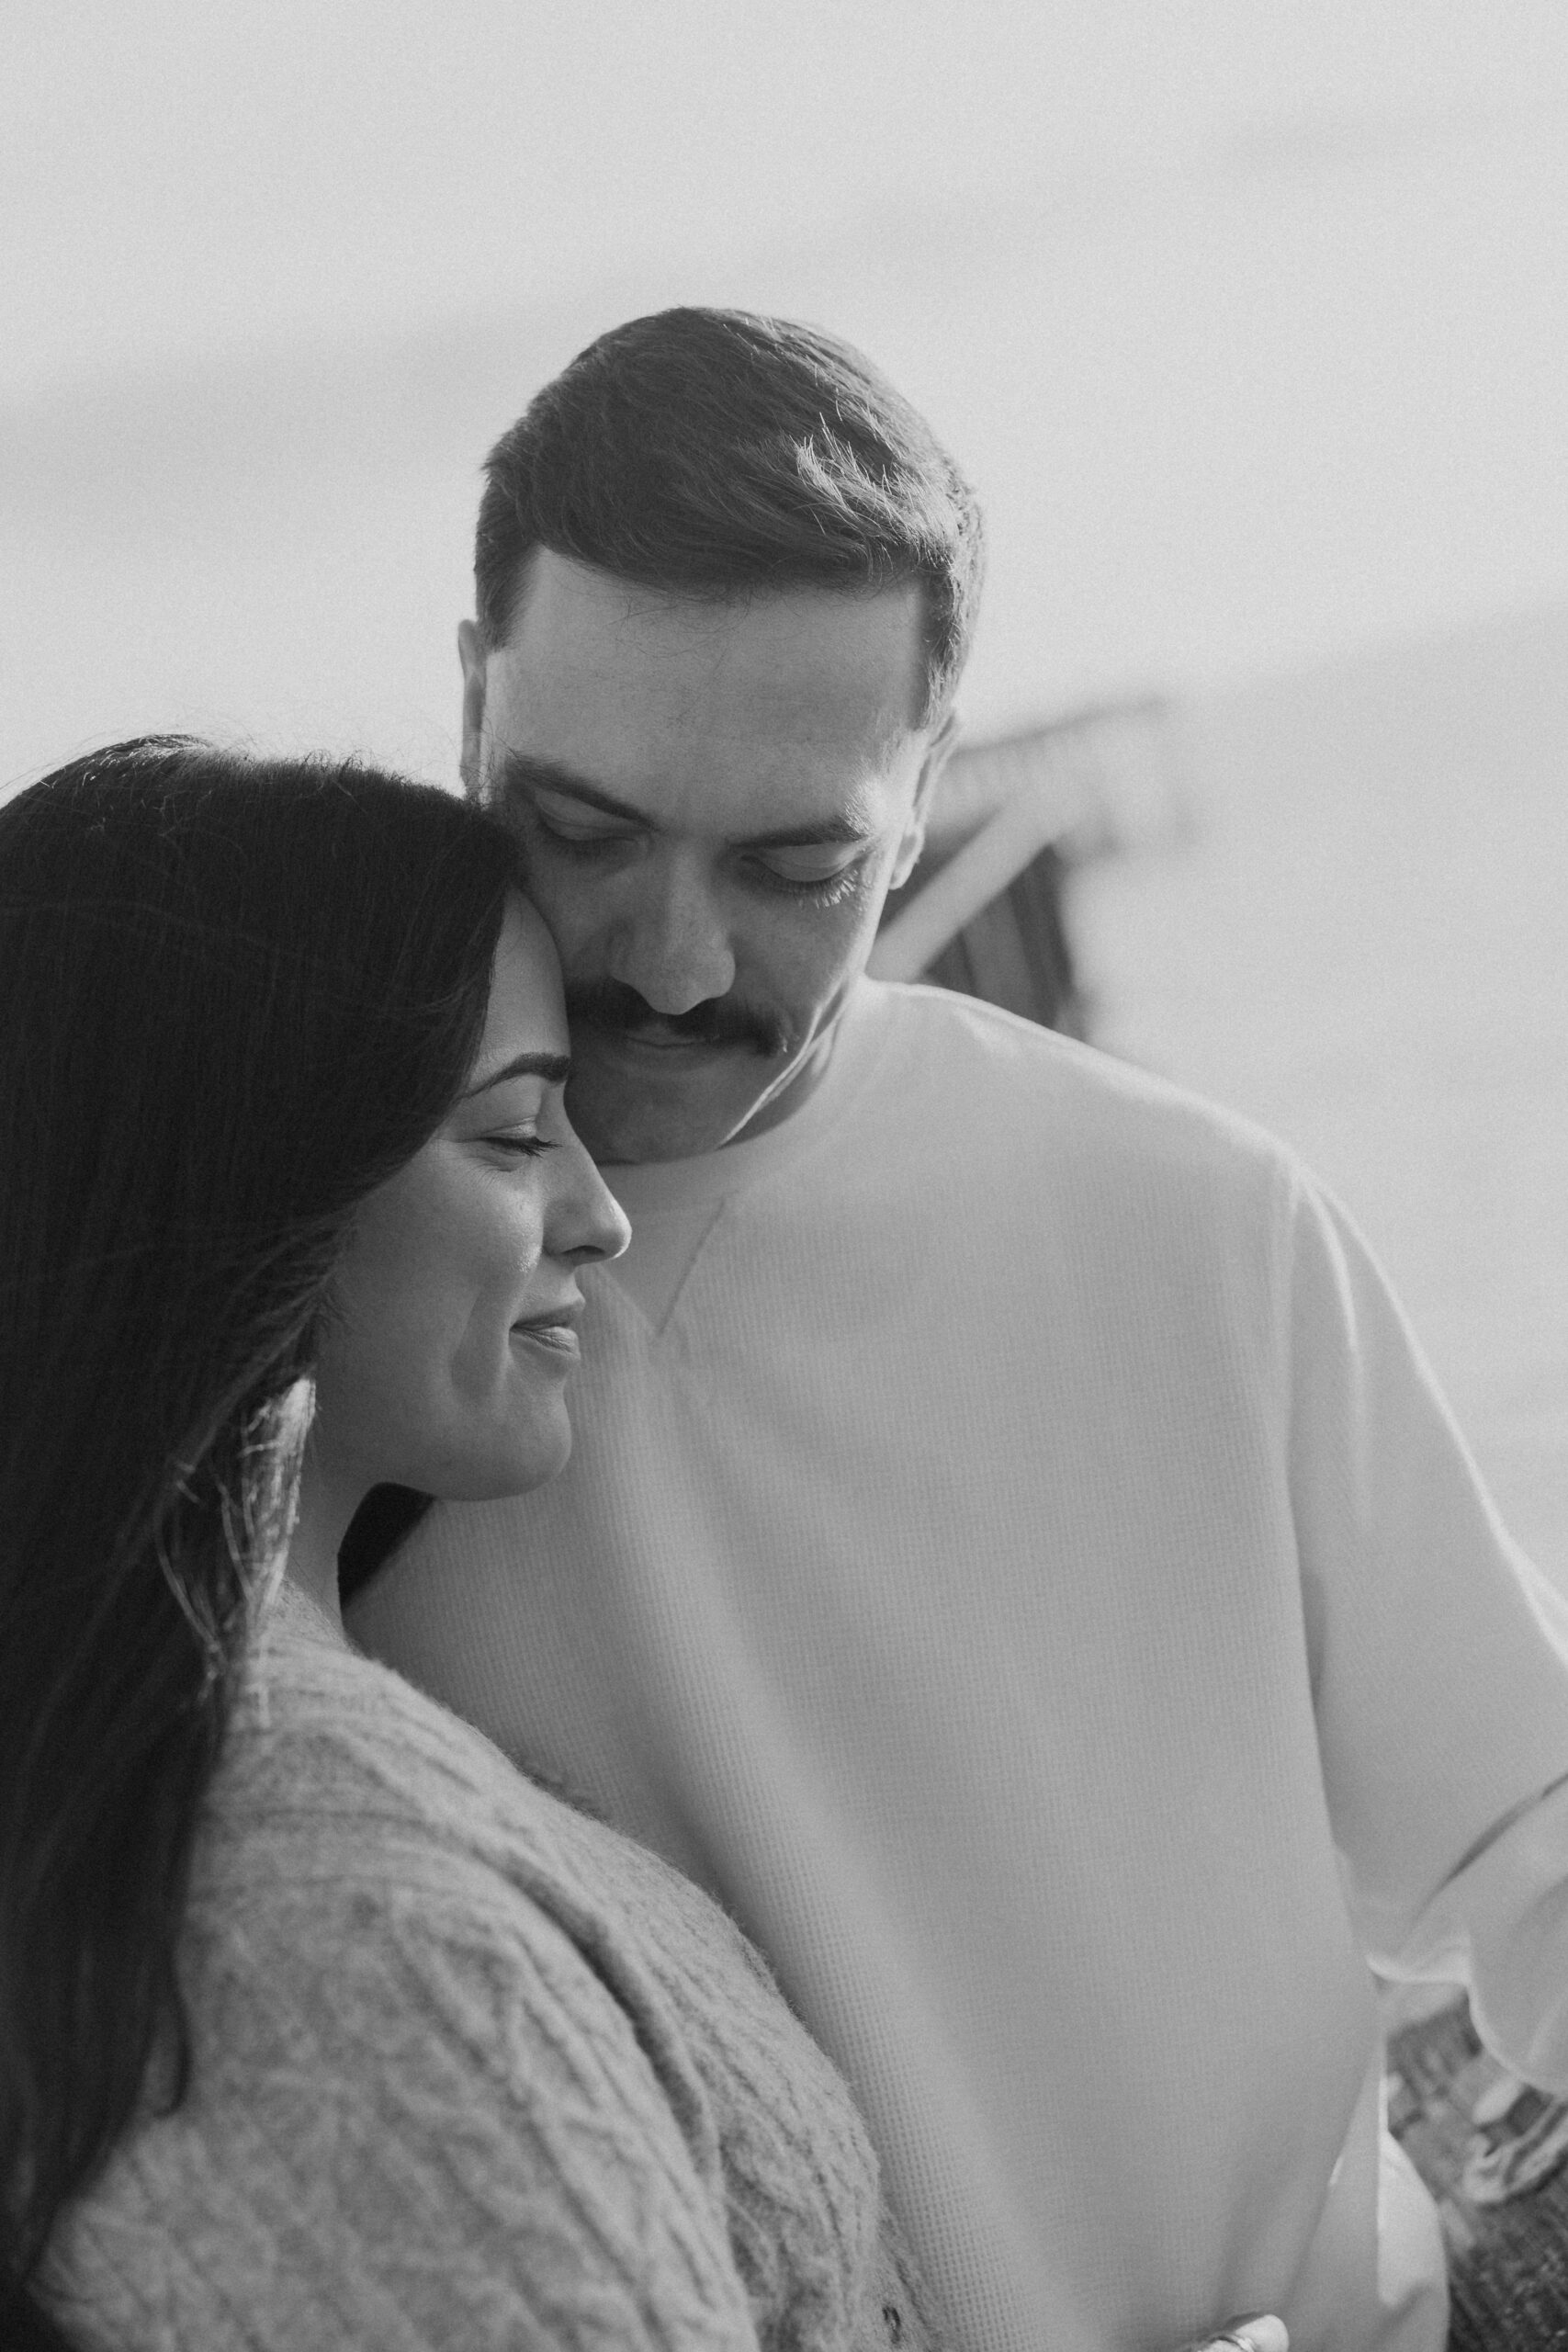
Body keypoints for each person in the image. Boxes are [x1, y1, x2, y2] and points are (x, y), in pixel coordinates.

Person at [344, 306, 1568, 2352]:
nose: (668, 953)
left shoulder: (1195, 1222)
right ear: (468, 695)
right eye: (580, 830)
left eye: (793, 861)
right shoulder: (313, 1310)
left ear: (928, 784)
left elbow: (1521, 1838)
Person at [1, 736, 972, 2351]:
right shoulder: (328, 1920)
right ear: (253, 1190)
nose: (601, 1211)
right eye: (515, 1136)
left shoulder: (246, 1765)